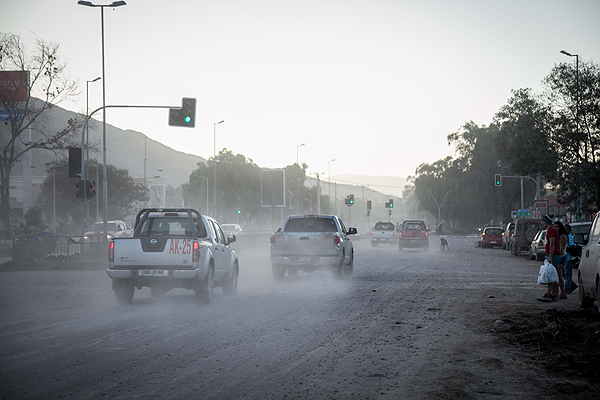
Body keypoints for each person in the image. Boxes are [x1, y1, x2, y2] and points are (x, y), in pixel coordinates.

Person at [538, 214, 560, 302]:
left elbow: (552, 244)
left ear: (546, 222)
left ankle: (549, 294)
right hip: (552, 255)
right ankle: (553, 295)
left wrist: (550, 256)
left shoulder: (551, 230)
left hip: (553, 255)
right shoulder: (549, 230)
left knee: (550, 276)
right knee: (553, 275)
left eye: (542, 221)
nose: (541, 223)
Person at [553, 221, 568, 299]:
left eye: (557, 227)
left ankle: (562, 292)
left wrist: (558, 256)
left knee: (559, 274)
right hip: (556, 256)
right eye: (554, 227)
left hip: (561, 257)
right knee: (556, 275)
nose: (555, 228)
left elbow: (562, 248)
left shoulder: (562, 236)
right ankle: (556, 292)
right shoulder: (555, 235)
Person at [564, 224, 579, 294]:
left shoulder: (570, 237)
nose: (565, 230)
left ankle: (567, 288)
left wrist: (566, 248)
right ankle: (572, 285)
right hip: (565, 258)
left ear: (569, 230)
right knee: (563, 274)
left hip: (568, 258)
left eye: (567, 229)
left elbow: (573, 246)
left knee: (567, 274)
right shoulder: (564, 237)